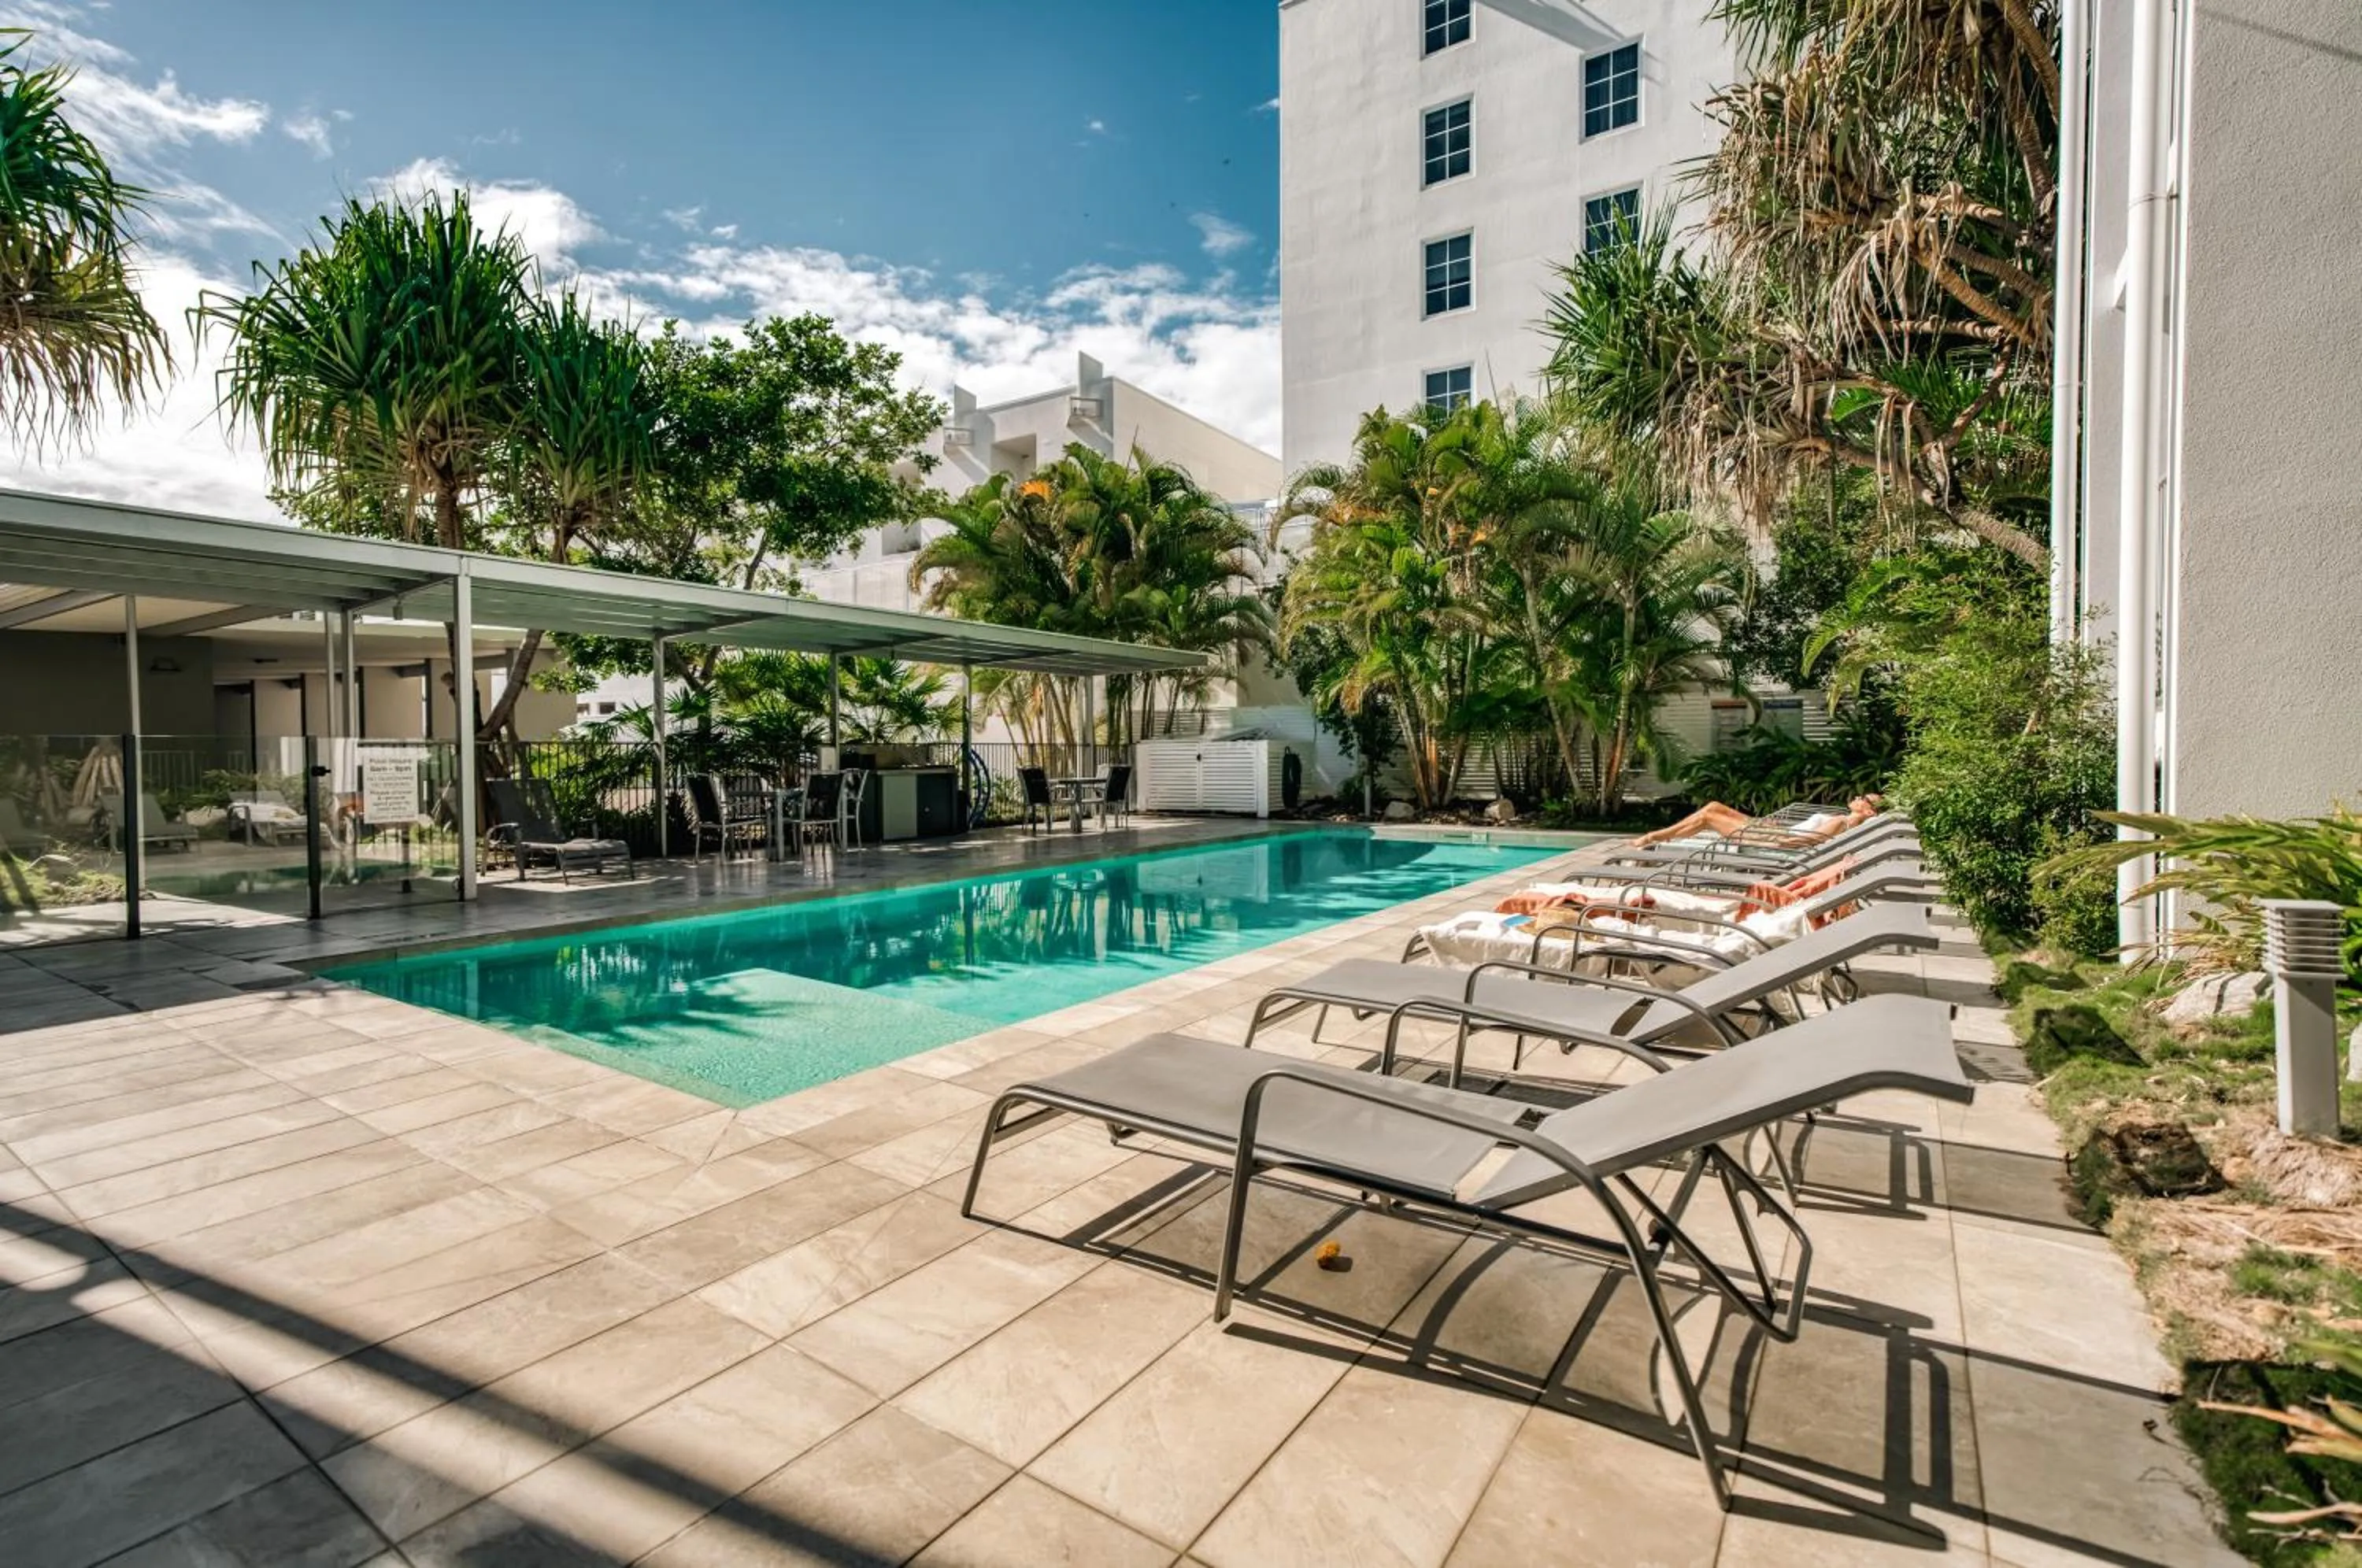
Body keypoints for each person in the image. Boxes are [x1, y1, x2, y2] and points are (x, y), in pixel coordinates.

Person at [1635, 793, 1883, 849]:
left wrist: (1774, 837)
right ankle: (1655, 837)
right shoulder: (1840, 818)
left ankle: (1653, 838)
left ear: (1870, 812)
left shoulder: (1841, 821)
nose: (1858, 797)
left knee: (1708, 817)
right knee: (1713, 807)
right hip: (1774, 832)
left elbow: (1803, 843)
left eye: (1864, 799)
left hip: (1771, 842)